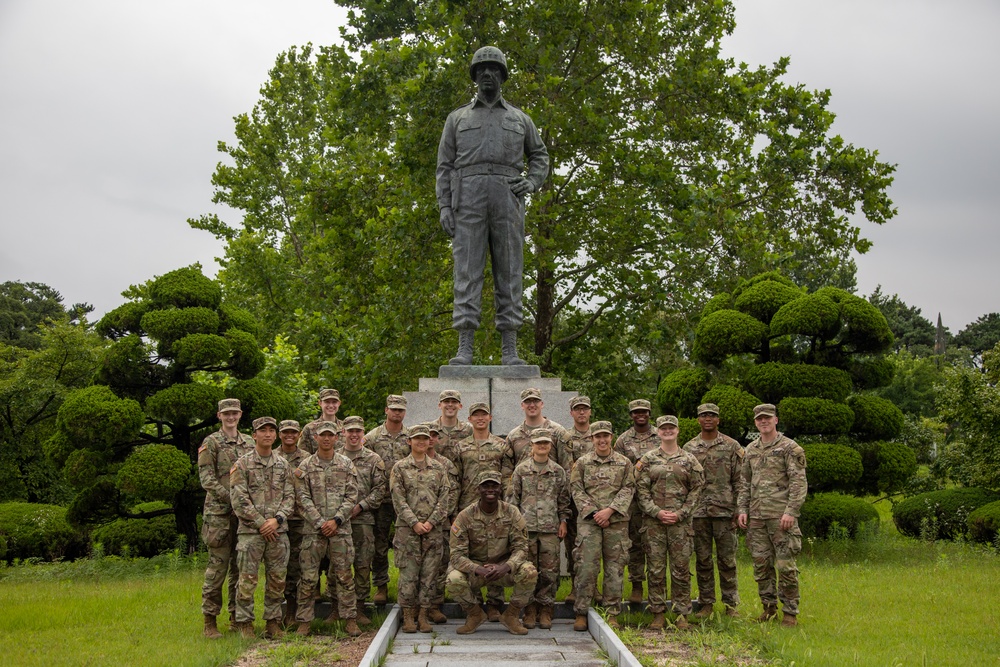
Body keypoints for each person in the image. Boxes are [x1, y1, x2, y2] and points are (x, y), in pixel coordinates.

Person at [436, 46, 549, 366]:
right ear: (475, 76)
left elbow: (539, 155)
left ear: (502, 76)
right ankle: (465, 347)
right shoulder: (457, 118)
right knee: (467, 272)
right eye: (482, 70)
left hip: (507, 196)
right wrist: (444, 205)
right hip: (467, 198)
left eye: (494, 70)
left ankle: (510, 349)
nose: (488, 74)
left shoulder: (520, 119)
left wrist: (531, 182)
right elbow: (445, 166)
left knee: (510, 270)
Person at [737, 404, 808, 627]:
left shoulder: (790, 448)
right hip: (757, 517)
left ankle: (790, 612)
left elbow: (798, 482)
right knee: (761, 565)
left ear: (776, 420)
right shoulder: (751, 449)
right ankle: (768, 607)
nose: (763, 422)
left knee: (785, 565)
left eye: (767, 418)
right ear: (756, 423)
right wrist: (742, 509)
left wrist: (791, 512)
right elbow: (745, 482)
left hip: (780, 517)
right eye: (759, 419)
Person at [291, 421, 362, 637]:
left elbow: (352, 495)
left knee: (344, 575)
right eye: (323, 435)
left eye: (330, 435)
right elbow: (301, 498)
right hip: (314, 531)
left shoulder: (346, 464)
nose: (326, 439)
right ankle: (304, 621)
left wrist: (337, 520)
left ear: (336, 437)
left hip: (340, 529)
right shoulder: (305, 466)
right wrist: (320, 522)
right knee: (309, 577)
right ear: (315, 438)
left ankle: (349, 618)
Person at [447, 470, 538, 635]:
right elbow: (456, 555)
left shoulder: (512, 513)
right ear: (478, 490)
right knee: (453, 579)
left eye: (494, 486)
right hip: (477, 571)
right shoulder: (465, 517)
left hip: (503, 569)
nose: (490, 490)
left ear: (500, 490)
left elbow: (522, 547)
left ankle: (511, 615)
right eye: (485, 486)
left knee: (529, 572)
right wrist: (478, 569)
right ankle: (475, 615)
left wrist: (506, 566)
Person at [229, 417, 295, 639]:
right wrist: (260, 523)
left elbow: (290, 496)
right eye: (262, 431)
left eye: (271, 431)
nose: (267, 434)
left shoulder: (283, 464)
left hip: (278, 531)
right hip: (251, 533)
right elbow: (239, 499)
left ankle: (273, 622)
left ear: (275, 435)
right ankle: (244, 623)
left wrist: (277, 519)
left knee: (277, 579)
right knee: (247, 579)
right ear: (254, 435)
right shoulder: (242, 464)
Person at [636, 415, 705, 630]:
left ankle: (681, 614)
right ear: (658, 432)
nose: (667, 431)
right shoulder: (647, 459)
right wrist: (656, 512)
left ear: (677, 431)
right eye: (663, 428)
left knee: (681, 569)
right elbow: (641, 490)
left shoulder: (689, 459)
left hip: (680, 525)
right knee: (656, 569)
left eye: (671, 428)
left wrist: (681, 513)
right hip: (654, 524)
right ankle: (657, 612)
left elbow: (697, 489)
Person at [197, 398, 255, 638]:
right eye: (226, 414)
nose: (231, 417)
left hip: (242, 516)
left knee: (239, 569)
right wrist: (232, 500)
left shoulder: (250, 443)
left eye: (234, 413)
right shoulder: (211, 443)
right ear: (219, 415)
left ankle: (235, 617)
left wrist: (247, 505)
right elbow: (207, 479)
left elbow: (254, 476)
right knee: (217, 568)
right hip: (219, 515)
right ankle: (209, 621)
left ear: (240, 414)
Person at [570, 421, 635, 631]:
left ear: (612, 437)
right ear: (592, 439)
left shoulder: (624, 463)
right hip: (589, 522)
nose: (602, 440)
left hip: (616, 522)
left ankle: (612, 612)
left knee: (614, 569)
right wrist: (594, 512)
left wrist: (610, 511)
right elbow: (576, 489)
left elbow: (629, 488)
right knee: (586, 566)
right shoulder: (582, 463)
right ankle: (581, 612)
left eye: (605, 436)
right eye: (598, 436)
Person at [682, 403, 744, 618]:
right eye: (704, 415)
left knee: (727, 560)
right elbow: (685, 482)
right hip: (698, 512)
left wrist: (739, 509)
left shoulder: (731, 446)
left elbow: (740, 480)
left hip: (724, 512)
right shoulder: (689, 448)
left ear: (718, 420)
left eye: (712, 415)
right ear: (698, 419)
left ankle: (731, 604)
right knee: (703, 559)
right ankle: (706, 603)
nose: (708, 419)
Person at [505, 430, 571, 630]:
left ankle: (546, 609)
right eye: (538, 443)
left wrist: (563, 521)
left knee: (550, 572)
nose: (542, 446)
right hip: (527, 529)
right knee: (528, 570)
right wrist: (514, 527)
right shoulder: (521, 470)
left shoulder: (558, 471)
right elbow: (512, 500)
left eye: (545, 443)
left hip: (550, 528)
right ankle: (529, 609)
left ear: (550, 445)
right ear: (531, 445)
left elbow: (563, 500)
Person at [389, 424, 451, 633]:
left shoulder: (439, 468)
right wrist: (414, 522)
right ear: (409, 441)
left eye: (425, 439)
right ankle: (408, 616)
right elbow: (398, 499)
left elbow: (445, 498)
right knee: (408, 574)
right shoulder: (399, 468)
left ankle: (423, 615)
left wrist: (431, 522)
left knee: (429, 575)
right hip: (408, 530)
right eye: (417, 439)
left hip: (433, 530)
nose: (421, 442)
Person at [453, 401, 511, 620]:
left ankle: (495, 604)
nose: (480, 418)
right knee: (471, 553)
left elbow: (507, 477)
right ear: (469, 419)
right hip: (467, 508)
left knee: (496, 551)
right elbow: (455, 480)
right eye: (475, 415)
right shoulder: (460, 447)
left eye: (483, 415)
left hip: (495, 508)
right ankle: (473, 604)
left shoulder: (501, 446)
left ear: (490, 418)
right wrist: (453, 510)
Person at [339, 415, 387, 625]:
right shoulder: (334, 457)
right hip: (337, 521)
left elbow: (380, 490)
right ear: (343, 433)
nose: (354, 435)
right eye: (350, 431)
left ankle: (359, 607)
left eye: (358, 431)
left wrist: (361, 506)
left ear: (363, 434)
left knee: (362, 564)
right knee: (338, 565)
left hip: (363, 519)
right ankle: (337, 607)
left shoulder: (373, 459)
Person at [366, 394, 410, 604]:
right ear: (386, 410)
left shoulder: (410, 437)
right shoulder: (373, 437)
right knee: (380, 545)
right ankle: (381, 586)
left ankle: (406, 585)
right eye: (393, 409)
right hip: (381, 501)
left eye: (400, 409)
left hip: (404, 501)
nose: (397, 412)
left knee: (405, 544)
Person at [614, 399, 658, 603]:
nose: (640, 415)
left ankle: (658, 588)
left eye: (644, 412)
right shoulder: (623, 441)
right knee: (634, 545)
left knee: (656, 546)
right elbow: (618, 469)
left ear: (649, 413)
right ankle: (637, 586)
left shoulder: (661, 436)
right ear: (631, 415)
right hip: (632, 502)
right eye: (636, 412)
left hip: (657, 499)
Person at [425, 422, 462, 624]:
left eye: (433, 435)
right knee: (415, 565)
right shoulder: (405, 464)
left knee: (439, 563)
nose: (429, 439)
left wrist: (446, 515)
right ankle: (414, 605)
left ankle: (434, 605)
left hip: (440, 522)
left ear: (438, 438)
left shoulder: (446, 465)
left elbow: (452, 492)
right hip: (414, 524)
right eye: (425, 435)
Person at [276, 419, 309, 628]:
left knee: (297, 566)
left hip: (299, 519)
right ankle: (275, 614)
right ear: (280, 434)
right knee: (279, 567)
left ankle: (293, 612)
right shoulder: (272, 456)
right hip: (276, 521)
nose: (289, 435)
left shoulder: (307, 459)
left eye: (293, 432)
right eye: (285, 432)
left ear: (299, 434)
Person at [562, 395, 595, 602]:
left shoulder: (599, 435)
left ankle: (595, 588)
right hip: (574, 501)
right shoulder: (566, 438)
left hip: (599, 501)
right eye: (577, 409)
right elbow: (567, 469)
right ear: (571, 413)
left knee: (595, 547)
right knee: (573, 546)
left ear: (590, 411)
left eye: (585, 409)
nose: (581, 412)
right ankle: (575, 587)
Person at [504, 387, 571, 474]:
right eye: (527, 402)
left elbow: (567, 468)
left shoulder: (558, 432)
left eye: (536, 401)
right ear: (522, 405)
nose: (532, 405)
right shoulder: (513, 436)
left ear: (542, 404)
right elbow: (507, 471)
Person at [430, 389, 473, 466]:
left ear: (460, 406)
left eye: (454, 402)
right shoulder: (429, 429)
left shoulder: (469, 429)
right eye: (446, 401)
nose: (450, 404)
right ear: (440, 405)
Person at [299, 388, 345, 454]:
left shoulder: (346, 427)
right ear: (320, 403)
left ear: (339, 403)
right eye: (327, 402)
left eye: (334, 402)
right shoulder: (309, 428)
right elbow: (302, 454)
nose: (331, 406)